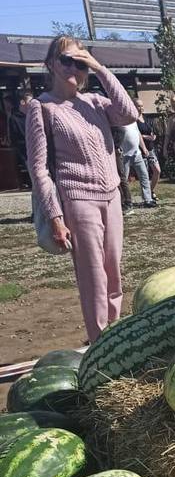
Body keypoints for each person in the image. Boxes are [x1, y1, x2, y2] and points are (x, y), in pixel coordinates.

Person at [25, 34, 139, 343]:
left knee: (113, 273)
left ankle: (114, 339)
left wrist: (100, 68)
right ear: (50, 65)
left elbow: (130, 113)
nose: (75, 68)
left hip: (112, 196)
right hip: (78, 199)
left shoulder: (96, 102)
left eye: (80, 62)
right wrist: (55, 216)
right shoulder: (42, 107)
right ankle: (100, 344)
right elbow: (39, 169)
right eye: (67, 60)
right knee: (94, 278)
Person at [116, 119, 156, 208]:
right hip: (124, 155)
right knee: (123, 179)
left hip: (136, 153)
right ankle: (123, 201)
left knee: (144, 175)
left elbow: (138, 134)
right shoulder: (118, 121)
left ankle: (147, 199)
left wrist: (144, 148)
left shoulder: (133, 121)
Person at [134, 97, 161, 199]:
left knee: (157, 170)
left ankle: (150, 190)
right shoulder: (133, 120)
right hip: (141, 150)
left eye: (141, 106)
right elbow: (136, 134)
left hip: (150, 148)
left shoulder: (146, 118)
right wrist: (145, 137)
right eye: (138, 106)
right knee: (144, 174)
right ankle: (146, 196)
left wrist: (152, 136)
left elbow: (151, 131)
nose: (140, 108)